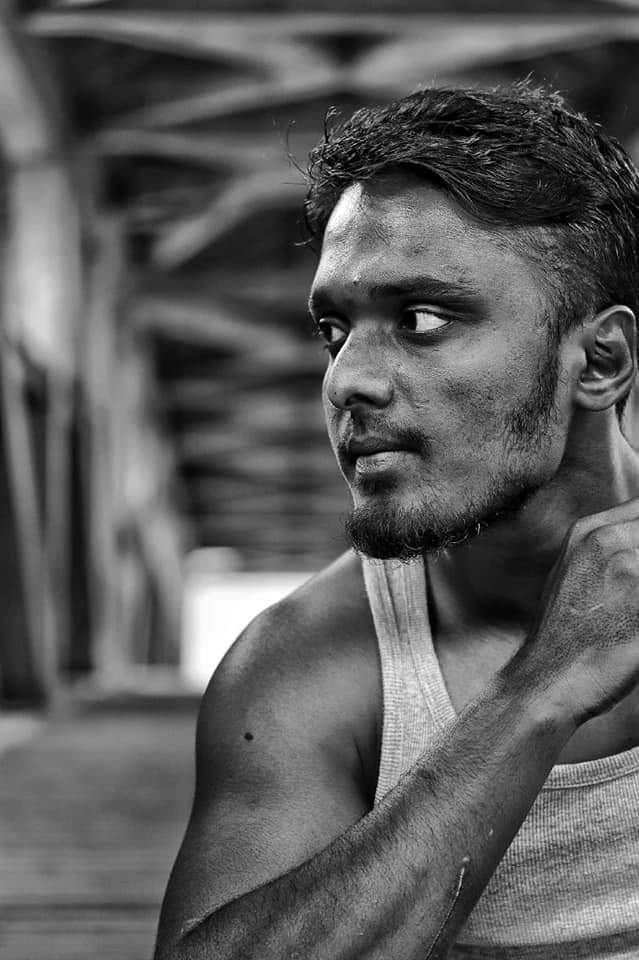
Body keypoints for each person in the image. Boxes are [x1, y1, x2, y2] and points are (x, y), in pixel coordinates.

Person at [154, 82, 639, 959]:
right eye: (334, 329)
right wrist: (541, 689)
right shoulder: (307, 662)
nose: (346, 381)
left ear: (599, 361)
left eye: (420, 319)